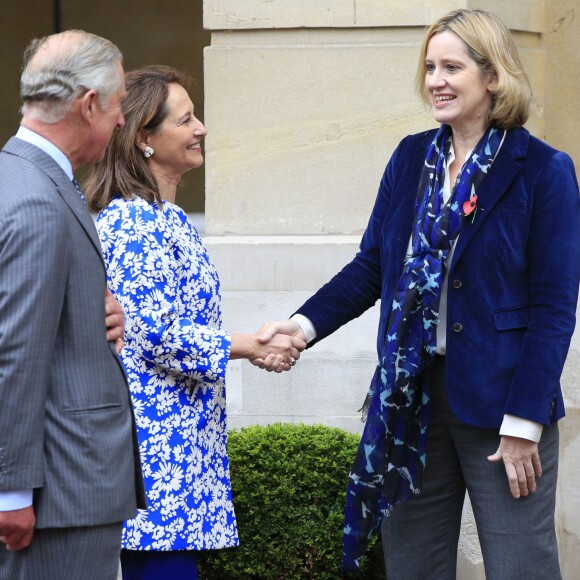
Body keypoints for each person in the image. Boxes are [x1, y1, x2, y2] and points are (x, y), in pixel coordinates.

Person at [258, 9, 580, 579]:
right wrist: (301, 327)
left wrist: (525, 422)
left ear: (493, 76)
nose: (436, 80)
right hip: (407, 401)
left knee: (520, 567)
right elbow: (371, 267)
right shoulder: (412, 158)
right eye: (430, 67)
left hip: (501, 407)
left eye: (452, 67)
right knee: (412, 567)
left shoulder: (543, 171)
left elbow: (554, 309)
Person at [85, 64, 305, 579]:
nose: (201, 128)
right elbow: (156, 332)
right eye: (185, 120)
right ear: (143, 137)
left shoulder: (169, 217)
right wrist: (250, 344)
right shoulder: (132, 221)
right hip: (154, 454)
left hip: (185, 446)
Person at [0, 30, 145, 580]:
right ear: (89, 105)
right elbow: (14, 350)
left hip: (59, 489)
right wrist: (10, 489)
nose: (122, 122)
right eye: (119, 106)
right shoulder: (37, 199)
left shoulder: (19, 177)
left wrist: (91, 309)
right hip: (56, 494)